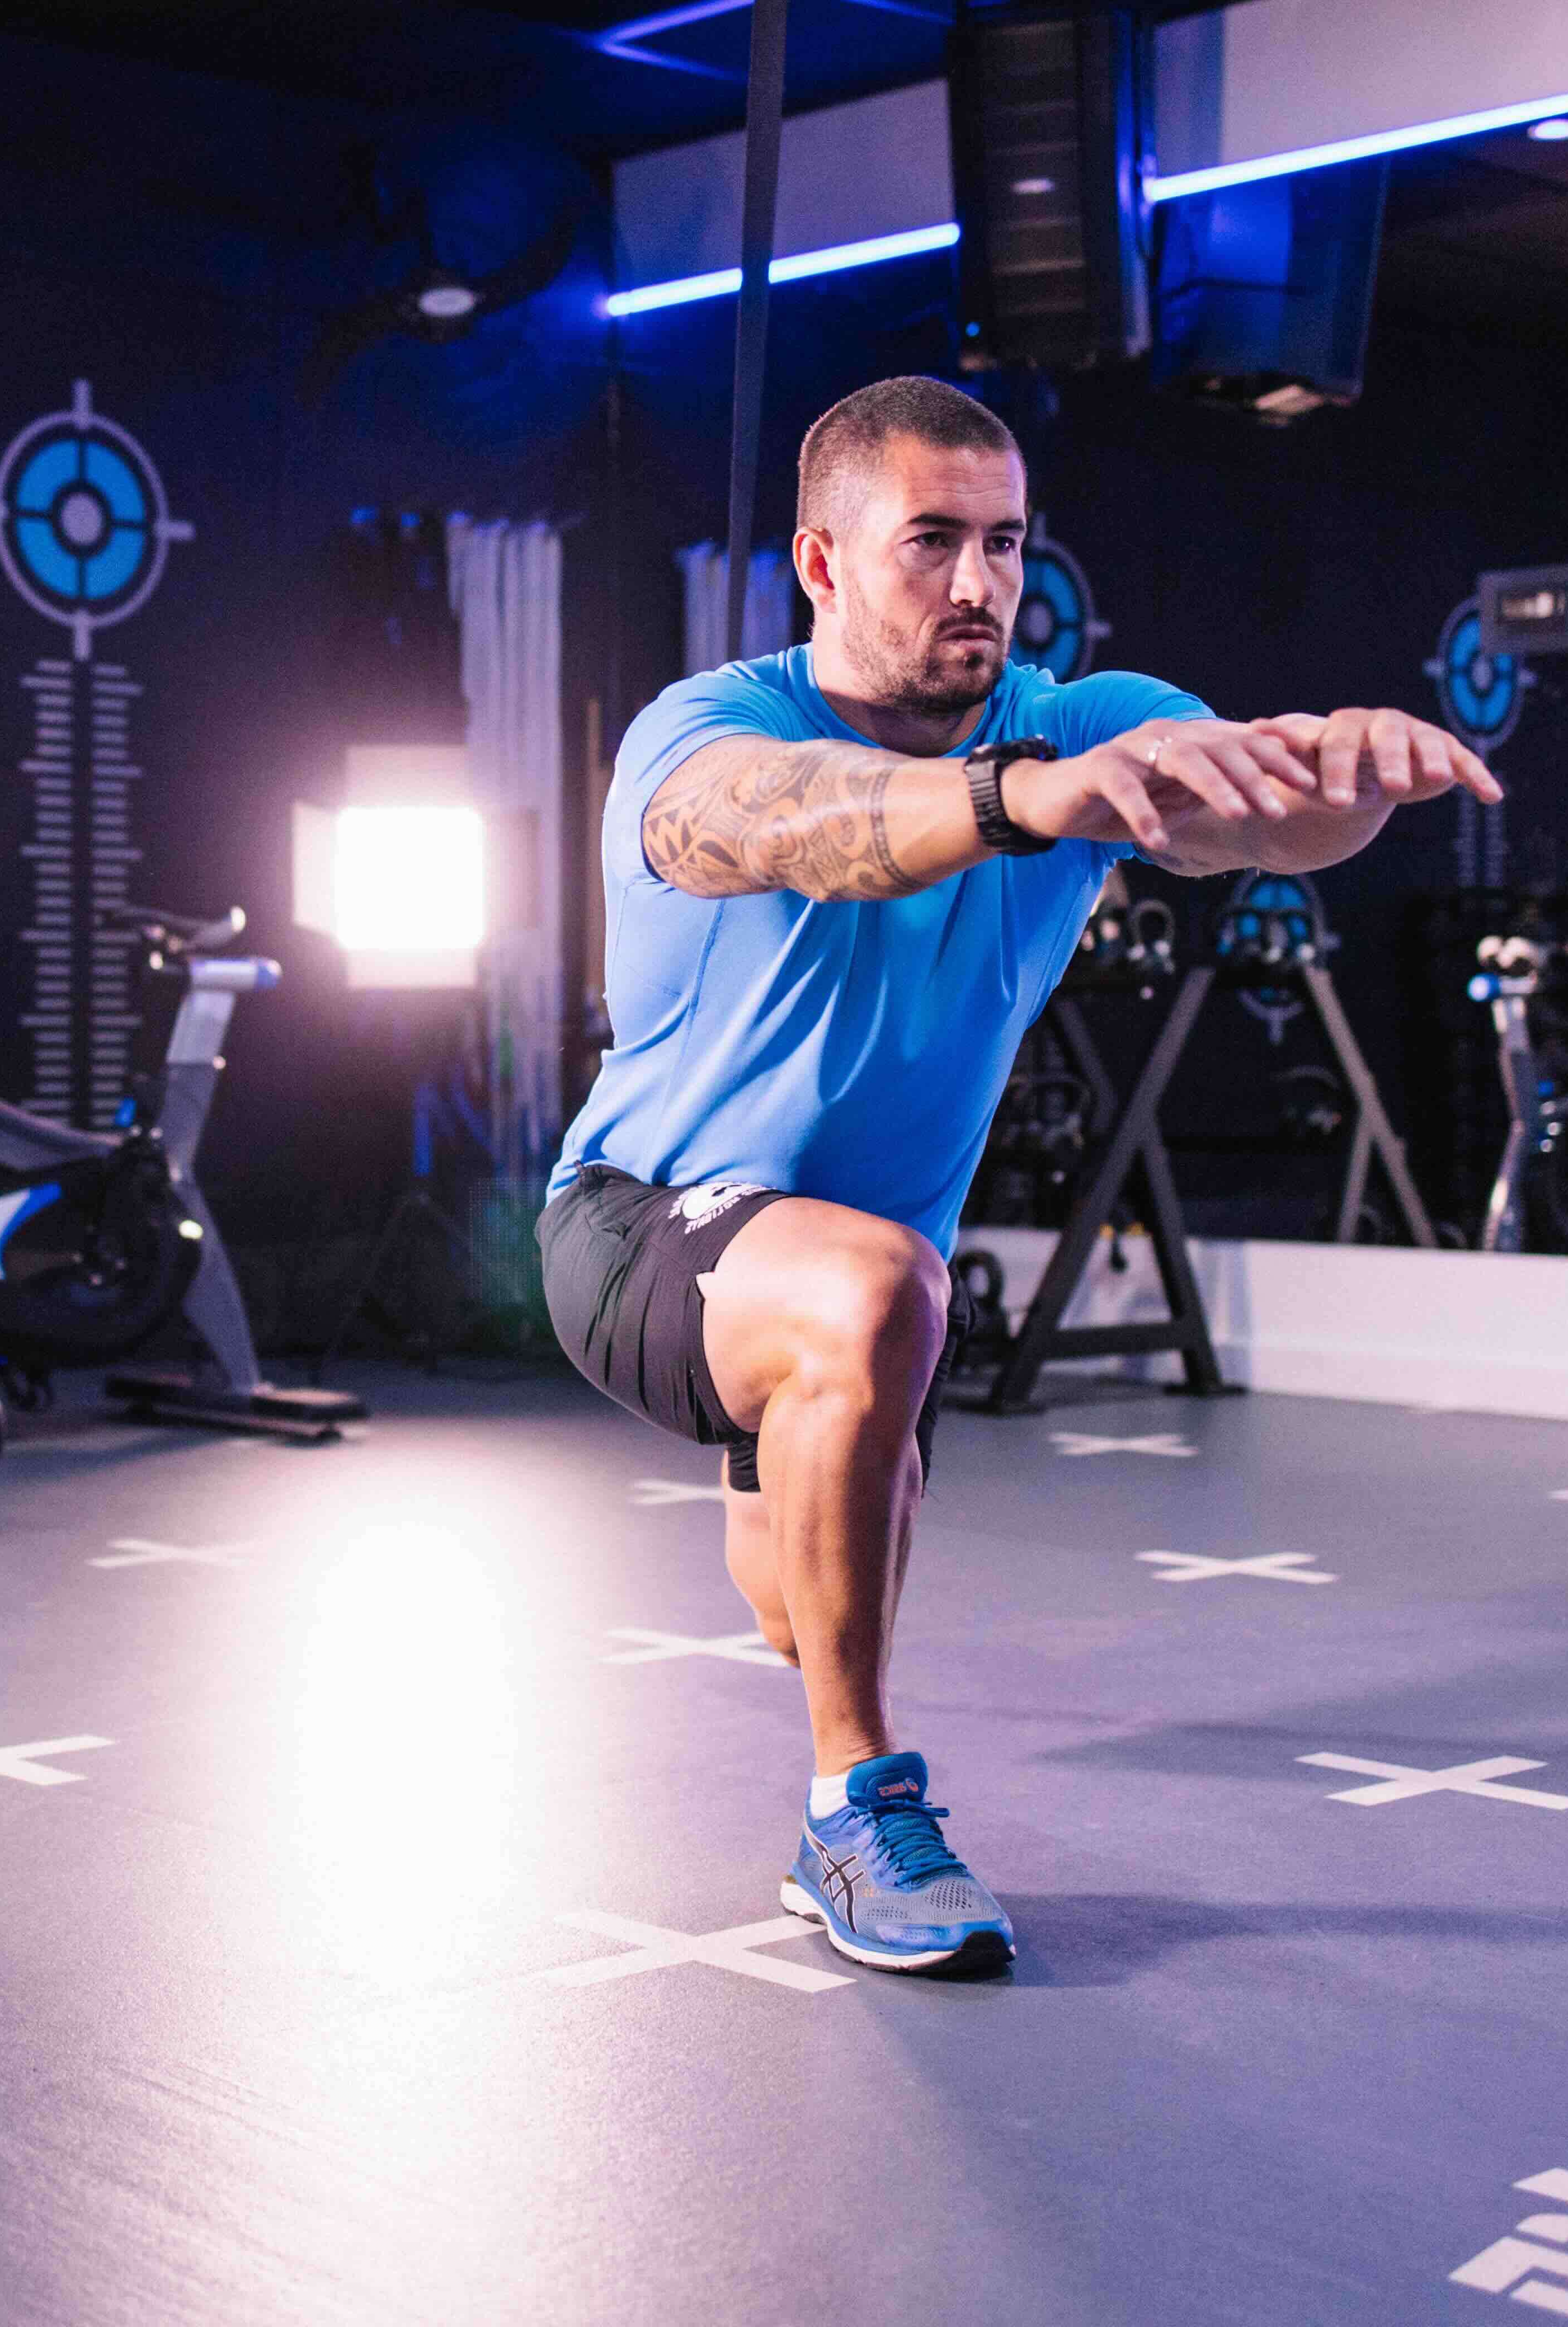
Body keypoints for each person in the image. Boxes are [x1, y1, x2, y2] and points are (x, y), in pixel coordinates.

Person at [540, 375, 1503, 1977]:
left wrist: (1345, 782)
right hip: (637, 1227)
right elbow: (786, 828)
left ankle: (774, 1440)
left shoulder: (1078, 718)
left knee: (802, 1595)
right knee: (878, 1290)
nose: (981, 583)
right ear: (826, 564)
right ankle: (855, 1813)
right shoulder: (711, 732)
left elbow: (1239, 808)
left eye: (1005, 542)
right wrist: (1008, 802)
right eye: (931, 542)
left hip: (839, 1281)